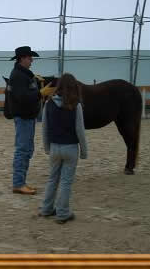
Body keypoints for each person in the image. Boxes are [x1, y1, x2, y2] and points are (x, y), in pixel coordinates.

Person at [39, 73, 87, 224]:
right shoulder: (76, 105)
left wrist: (47, 147)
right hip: (71, 148)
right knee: (66, 182)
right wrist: (84, 151)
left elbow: (45, 128)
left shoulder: (48, 104)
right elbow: (80, 130)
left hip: (54, 148)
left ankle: (46, 209)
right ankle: (62, 213)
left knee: (52, 179)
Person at [9, 46, 55, 195]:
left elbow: (26, 92)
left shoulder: (24, 75)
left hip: (28, 117)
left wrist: (36, 83)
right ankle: (18, 184)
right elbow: (22, 98)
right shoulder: (18, 76)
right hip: (23, 117)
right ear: (22, 58)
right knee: (23, 150)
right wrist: (40, 93)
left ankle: (21, 182)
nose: (32, 60)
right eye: (30, 58)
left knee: (27, 149)